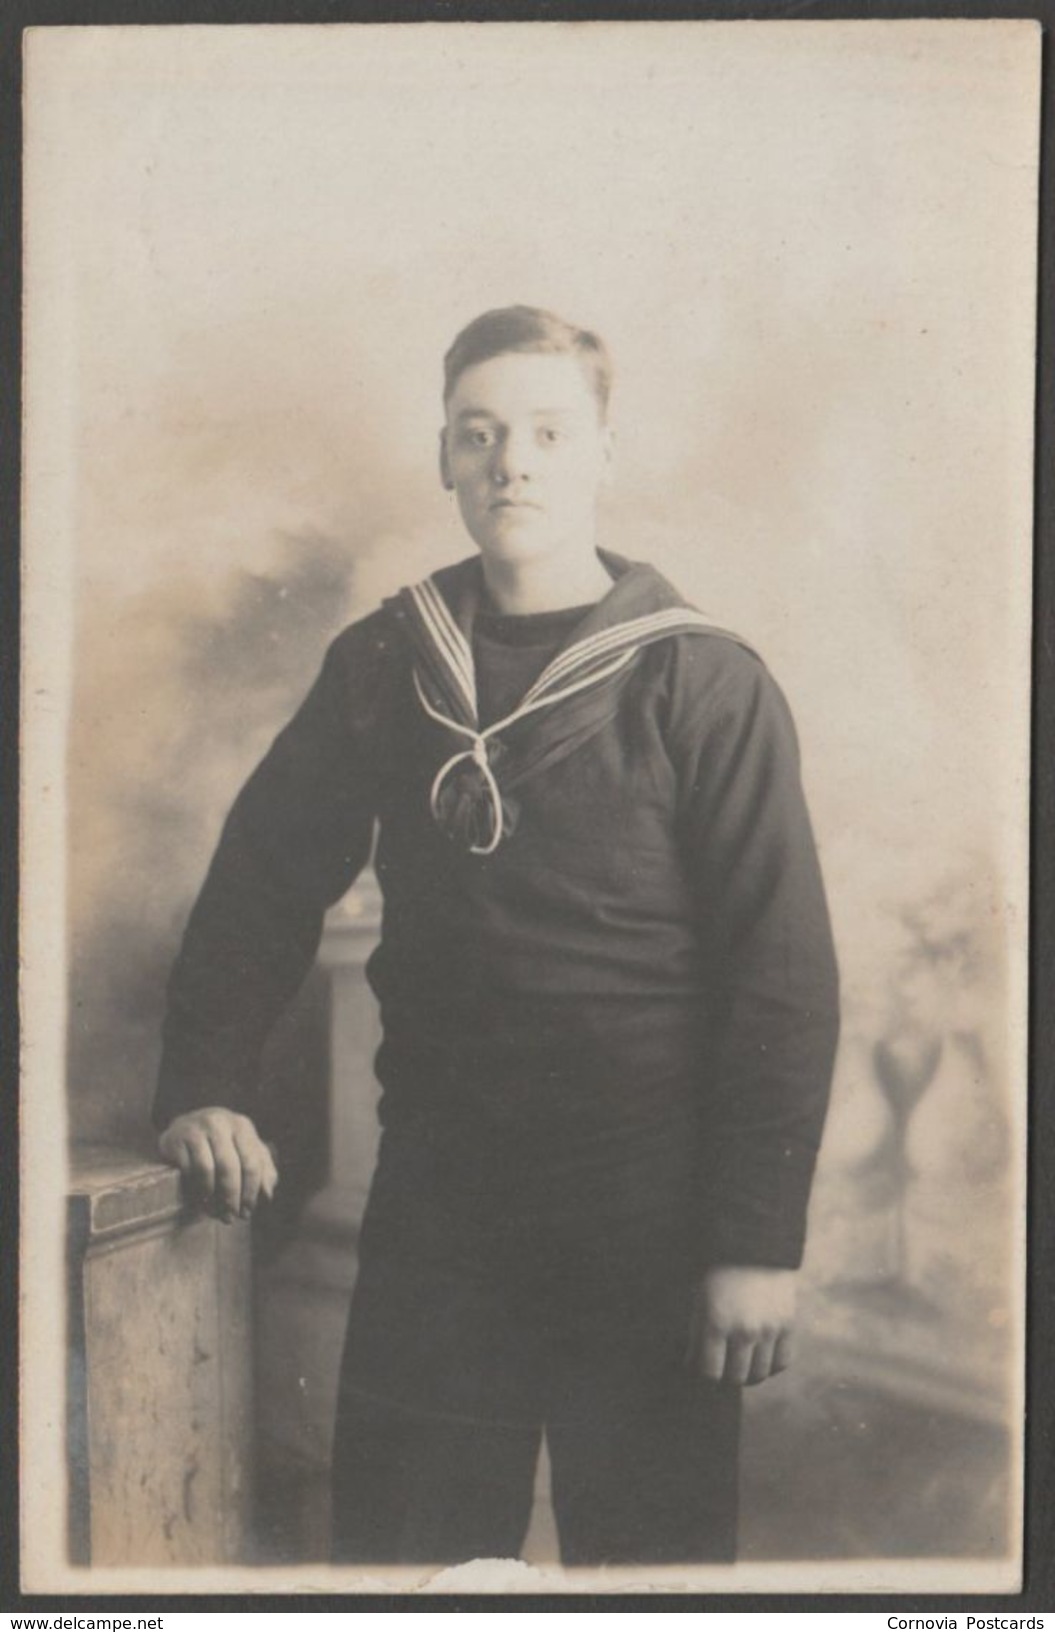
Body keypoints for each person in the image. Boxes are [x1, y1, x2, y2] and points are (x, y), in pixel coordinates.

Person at [154, 305, 840, 1567]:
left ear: (600, 454)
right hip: (439, 1198)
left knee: (653, 1570)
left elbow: (779, 976)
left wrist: (752, 1243)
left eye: (543, 432)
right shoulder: (382, 661)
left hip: (648, 1208)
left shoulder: (699, 681)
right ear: (445, 460)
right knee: (405, 1561)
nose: (510, 461)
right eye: (479, 435)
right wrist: (203, 1085)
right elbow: (262, 878)